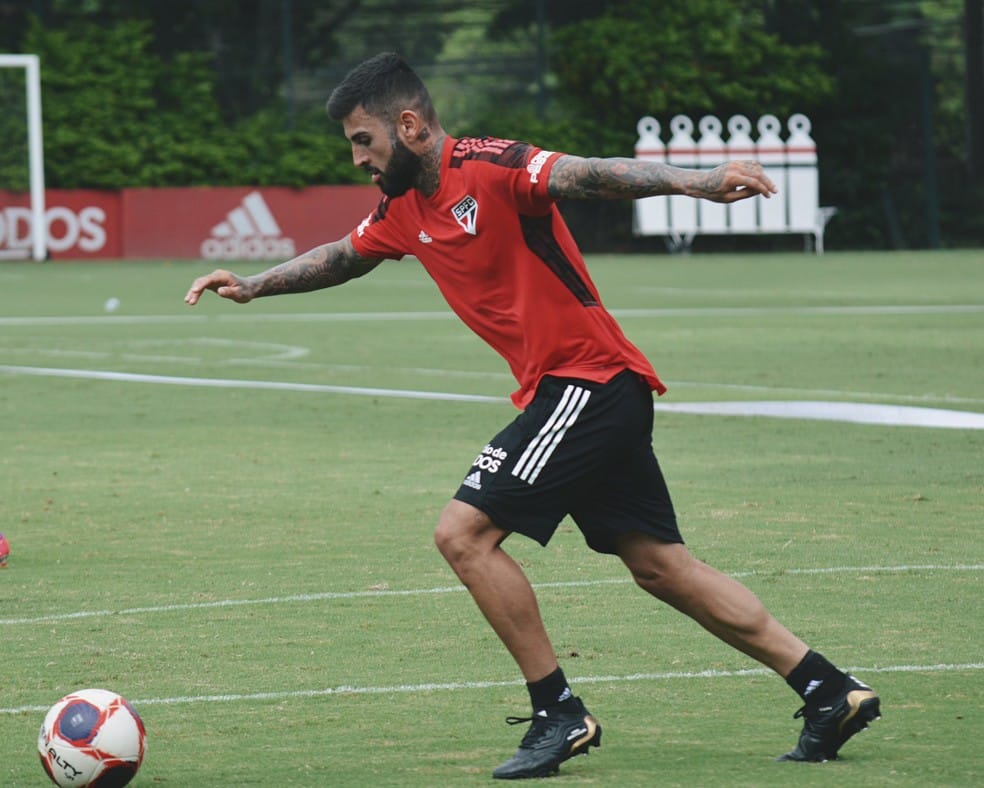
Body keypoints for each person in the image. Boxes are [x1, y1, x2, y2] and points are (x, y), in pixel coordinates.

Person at [185, 52, 880, 779]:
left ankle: (559, 712)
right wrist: (256, 286)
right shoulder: (401, 209)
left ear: (410, 125)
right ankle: (829, 690)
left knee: (463, 535)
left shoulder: (491, 166)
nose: (359, 157)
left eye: (365, 140)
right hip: (590, 393)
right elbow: (346, 255)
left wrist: (696, 181)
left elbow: (589, 172)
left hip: (586, 383)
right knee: (661, 567)